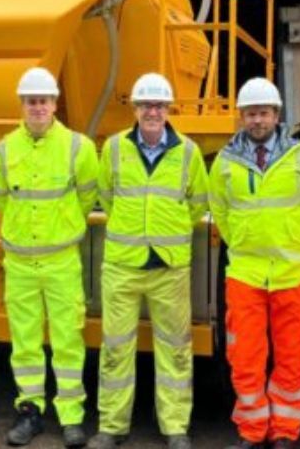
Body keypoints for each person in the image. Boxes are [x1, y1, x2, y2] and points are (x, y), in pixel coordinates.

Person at [88, 73, 209, 449]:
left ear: (168, 109)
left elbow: (198, 202)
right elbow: (105, 194)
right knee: (116, 348)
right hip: (123, 265)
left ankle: (175, 427)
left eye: (158, 105)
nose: (152, 112)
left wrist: (163, 232)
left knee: (174, 348)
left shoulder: (188, 152)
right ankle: (112, 426)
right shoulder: (114, 149)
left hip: (168, 267)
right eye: (145, 105)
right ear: (135, 109)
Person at [209, 78, 300, 449]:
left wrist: (294, 244)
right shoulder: (226, 162)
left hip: (294, 273)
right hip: (245, 274)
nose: (257, 120)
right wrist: (246, 244)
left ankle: (284, 433)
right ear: (241, 117)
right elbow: (221, 212)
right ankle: (252, 432)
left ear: (276, 114)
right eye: (250, 114)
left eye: (263, 113)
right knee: (245, 357)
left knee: (293, 356)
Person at [0, 67, 99, 448]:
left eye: (44, 101)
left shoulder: (78, 147)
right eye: (31, 101)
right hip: (20, 262)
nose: (38, 107)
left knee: (68, 340)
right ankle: (29, 413)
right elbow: (0, 197)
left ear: (55, 104)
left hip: (61, 260)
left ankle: (71, 418)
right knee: (25, 341)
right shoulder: (4, 149)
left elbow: (87, 197)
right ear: (22, 105)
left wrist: (62, 225)